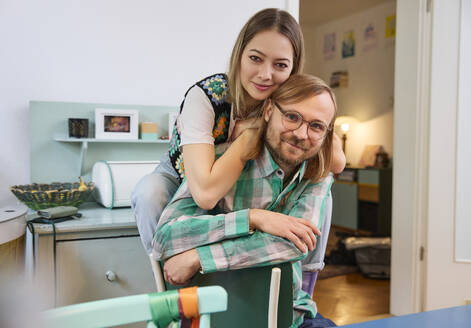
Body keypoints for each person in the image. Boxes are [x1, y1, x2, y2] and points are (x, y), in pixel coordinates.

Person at [131, 7, 345, 287]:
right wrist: (248, 140)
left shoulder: (290, 101)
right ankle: (170, 282)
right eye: (255, 58)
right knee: (150, 192)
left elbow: (335, 161)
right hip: (189, 175)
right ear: (239, 55)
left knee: (322, 194)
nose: (266, 75)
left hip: (243, 178)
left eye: (280, 65)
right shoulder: (207, 97)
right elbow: (205, 195)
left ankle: (301, 290)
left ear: (293, 69)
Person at [152, 74, 338, 327]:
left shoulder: (318, 174)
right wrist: (253, 218)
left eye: (316, 126)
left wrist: (201, 256)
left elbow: (295, 244)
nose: (301, 134)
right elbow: (166, 237)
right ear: (270, 110)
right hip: (217, 314)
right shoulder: (223, 163)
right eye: (292, 117)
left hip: (290, 314)